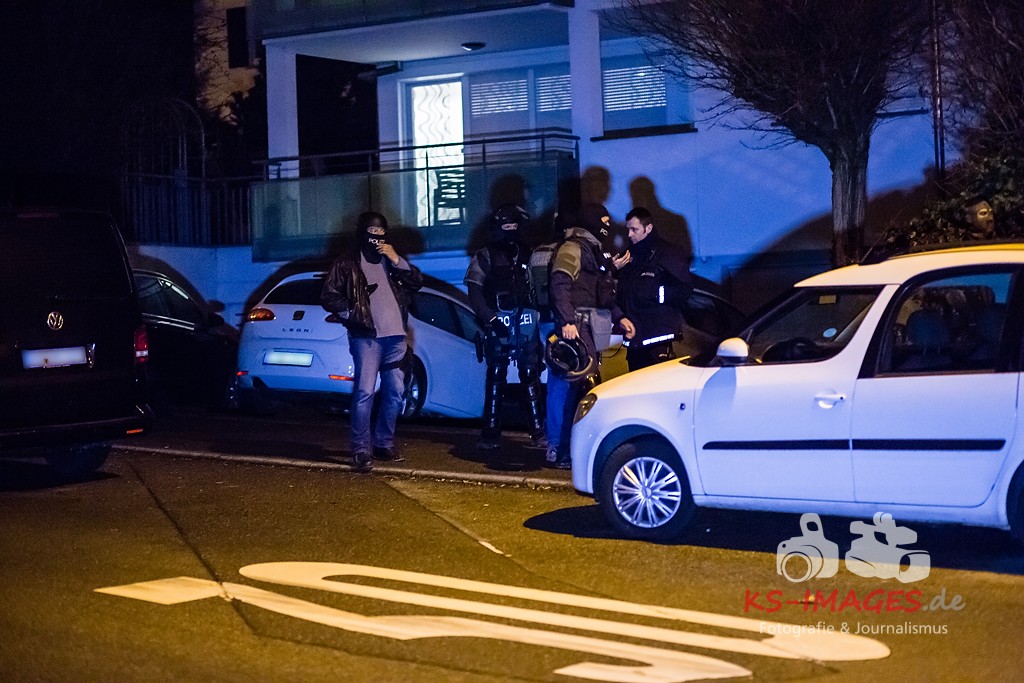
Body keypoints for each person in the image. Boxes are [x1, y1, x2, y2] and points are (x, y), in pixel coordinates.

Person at [320, 211, 423, 472]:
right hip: (367, 338)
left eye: (381, 232)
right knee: (365, 392)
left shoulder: (390, 260)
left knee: (396, 392)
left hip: (396, 337)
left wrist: (396, 258)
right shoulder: (348, 262)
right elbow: (329, 295)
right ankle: (361, 450)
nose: (377, 237)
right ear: (362, 232)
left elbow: (416, 282)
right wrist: (352, 315)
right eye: (372, 231)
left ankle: (384, 444)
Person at [545, 203, 634, 468]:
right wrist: (567, 321)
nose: (608, 226)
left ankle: (578, 449)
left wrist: (620, 317)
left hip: (588, 327)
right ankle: (562, 451)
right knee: (575, 388)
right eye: (603, 221)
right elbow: (560, 283)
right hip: (577, 327)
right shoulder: (573, 248)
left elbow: (600, 292)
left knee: (584, 388)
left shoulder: (594, 250)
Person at [464, 204, 546, 451]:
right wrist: (489, 318)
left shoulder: (529, 253)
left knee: (530, 374)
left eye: (514, 226)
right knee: (496, 375)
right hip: (498, 321)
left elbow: (540, 285)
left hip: (526, 321)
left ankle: (539, 431)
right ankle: (490, 433)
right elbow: (474, 289)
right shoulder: (485, 255)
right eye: (506, 226)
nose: (510, 231)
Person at [613, 207, 694, 371]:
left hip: (657, 339)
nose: (629, 234)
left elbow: (684, 289)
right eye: (628, 229)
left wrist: (656, 295)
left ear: (648, 228)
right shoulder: (628, 257)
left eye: (634, 229)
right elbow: (618, 292)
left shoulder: (666, 253)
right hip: (635, 340)